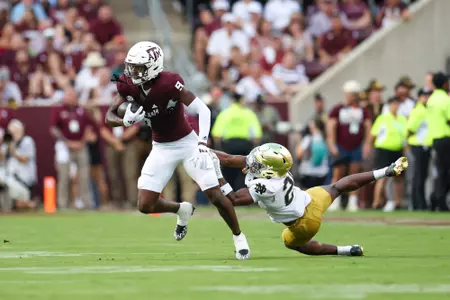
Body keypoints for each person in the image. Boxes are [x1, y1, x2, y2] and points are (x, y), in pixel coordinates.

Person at [105, 41, 250, 260]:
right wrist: (124, 121)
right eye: (131, 66)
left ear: (153, 66)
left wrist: (202, 143)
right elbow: (109, 116)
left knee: (215, 195)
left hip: (188, 143)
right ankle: (182, 209)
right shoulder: (128, 84)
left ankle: (239, 237)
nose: (132, 72)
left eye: (138, 67)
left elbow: (203, 109)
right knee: (144, 205)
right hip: (161, 147)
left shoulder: (170, 82)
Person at [210, 143, 408, 256]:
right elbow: (229, 158)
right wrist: (205, 152)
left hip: (304, 223)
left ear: (268, 169)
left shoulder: (266, 186)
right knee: (337, 186)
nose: (252, 161)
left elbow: (233, 198)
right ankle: (385, 171)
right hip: (310, 198)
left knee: (292, 243)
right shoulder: (276, 172)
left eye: (258, 161)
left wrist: (217, 173)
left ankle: (344, 251)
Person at [327, 80, 372, 211]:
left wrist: (366, 145)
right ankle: (334, 200)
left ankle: (353, 201)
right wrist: (332, 144)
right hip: (341, 146)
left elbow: (368, 127)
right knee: (338, 173)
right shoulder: (338, 109)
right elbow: (331, 126)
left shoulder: (363, 110)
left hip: (356, 146)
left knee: (354, 174)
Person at [370, 96, 407, 212]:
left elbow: (405, 135)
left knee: (399, 177)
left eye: (398, 104)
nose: (396, 106)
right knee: (382, 176)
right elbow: (373, 134)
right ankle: (376, 202)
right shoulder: (382, 118)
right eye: (394, 104)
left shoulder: (402, 119)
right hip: (384, 150)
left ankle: (397, 202)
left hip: (398, 150)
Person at [426, 72, 450, 212]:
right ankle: (440, 200)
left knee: (441, 171)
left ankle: (436, 198)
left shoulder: (431, 100)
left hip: (435, 139)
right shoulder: (445, 100)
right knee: (445, 173)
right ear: (444, 84)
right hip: (446, 138)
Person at [407, 88, 432, 211]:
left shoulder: (426, 110)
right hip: (418, 145)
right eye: (424, 96)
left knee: (422, 175)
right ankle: (417, 203)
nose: (426, 98)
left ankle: (420, 202)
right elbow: (411, 128)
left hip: (425, 146)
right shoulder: (418, 110)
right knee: (418, 175)